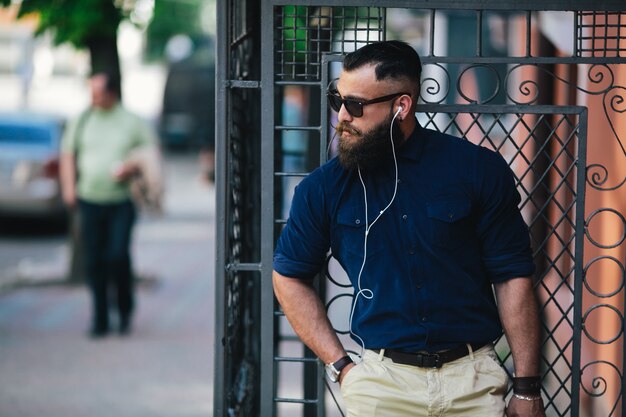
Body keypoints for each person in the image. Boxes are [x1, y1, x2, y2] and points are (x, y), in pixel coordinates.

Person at [273, 41, 545, 417]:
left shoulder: (476, 170)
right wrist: (341, 367)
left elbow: (512, 276)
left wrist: (528, 388)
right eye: (338, 101)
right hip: (381, 388)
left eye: (356, 105)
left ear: (401, 106)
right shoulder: (322, 189)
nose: (342, 118)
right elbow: (288, 276)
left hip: (473, 384)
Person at [60, 71, 158, 338]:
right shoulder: (82, 119)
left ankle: (125, 308)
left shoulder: (131, 121)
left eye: (97, 92)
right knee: (94, 260)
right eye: (90, 92)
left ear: (112, 94)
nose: (92, 97)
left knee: (117, 255)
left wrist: (130, 166)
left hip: (122, 200)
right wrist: (69, 188)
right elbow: (68, 154)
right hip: (89, 198)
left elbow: (150, 153)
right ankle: (100, 319)